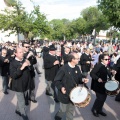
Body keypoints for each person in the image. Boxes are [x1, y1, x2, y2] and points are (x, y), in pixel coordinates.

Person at [54, 52, 89, 120]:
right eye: (77, 59)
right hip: (65, 94)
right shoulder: (63, 68)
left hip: (74, 94)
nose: (79, 60)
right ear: (72, 59)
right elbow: (56, 80)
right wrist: (61, 88)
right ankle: (57, 117)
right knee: (63, 110)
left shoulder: (77, 67)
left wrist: (83, 79)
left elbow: (79, 77)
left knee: (70, 111)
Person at [10, 47, 31, 120]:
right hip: (18, 85)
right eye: (20, 52)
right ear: (15, 54)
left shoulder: (24, 60)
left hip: (25, 84)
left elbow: (29, 71)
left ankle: (17, 110)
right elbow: (13, 75)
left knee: (22, 99)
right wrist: (22, 67)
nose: (22, 53)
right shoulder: (12, 63)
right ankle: (23, 114)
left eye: (22, 52)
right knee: (22, 101)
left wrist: (29, 64)